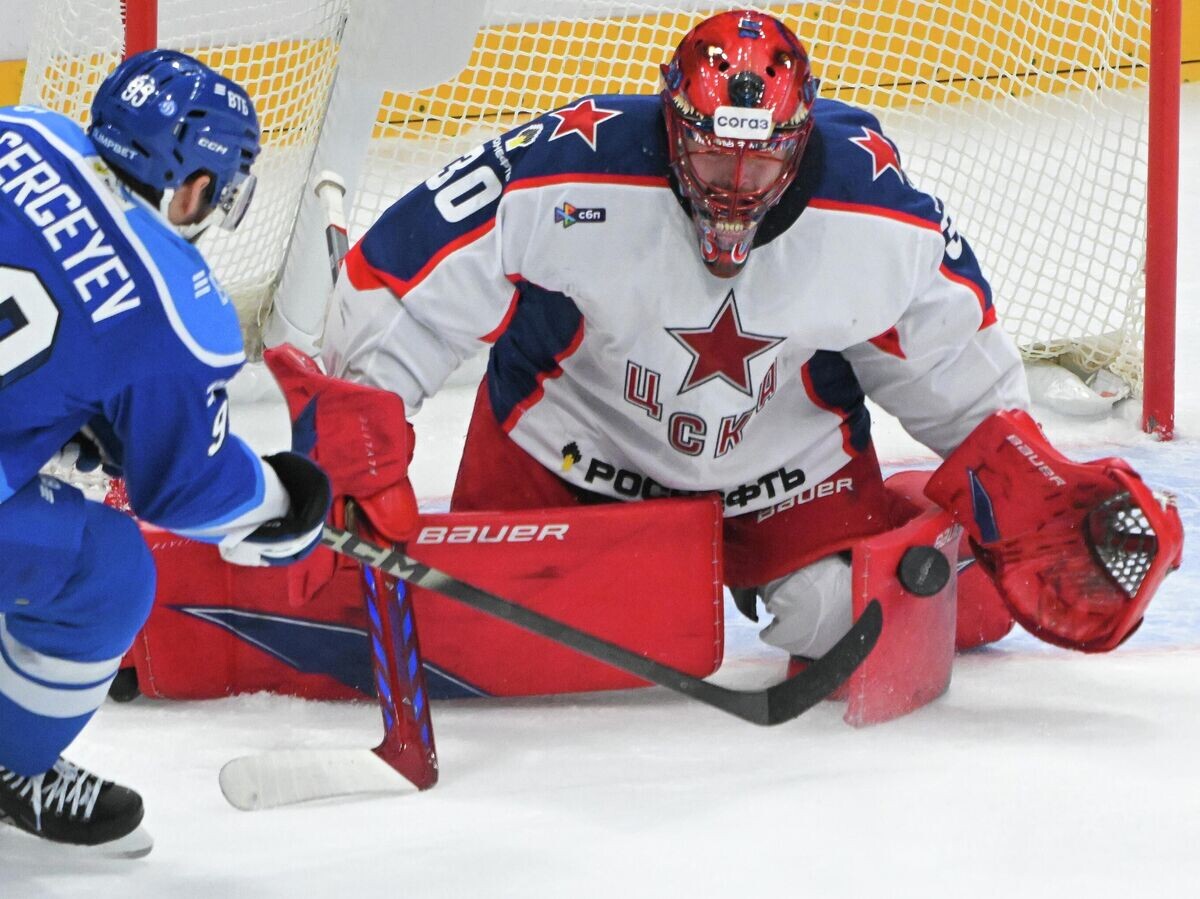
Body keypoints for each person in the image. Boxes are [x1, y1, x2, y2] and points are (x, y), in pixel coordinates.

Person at [322, 12, 1179, 681]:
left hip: (783, 460)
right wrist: (363, 421)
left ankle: (932, 528)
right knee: (486, 623)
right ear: (671, 122)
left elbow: (946, 358)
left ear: (800, 139)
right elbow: (405, 275)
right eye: (711, 157)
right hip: (567, 441)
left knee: (845, 619)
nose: (734, 190)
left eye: (759, 166)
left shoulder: (875, 213)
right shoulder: (568, 171)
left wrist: (1009, 468)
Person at [0, 50, 331, 855]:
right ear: (197, 186)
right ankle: (12, 759)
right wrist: (283, 505)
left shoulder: (22, 129)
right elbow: (188, 490)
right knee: (108, 570)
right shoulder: (171, 306)